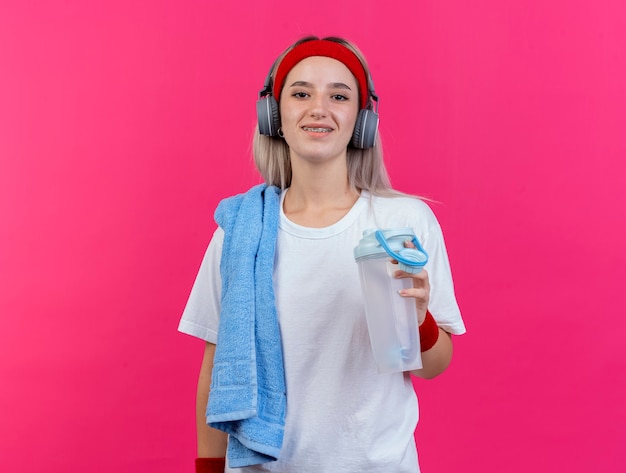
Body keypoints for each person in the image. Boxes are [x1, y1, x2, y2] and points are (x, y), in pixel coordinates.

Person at [179, 36, 466, 473]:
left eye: (338, 95)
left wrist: (420, 318)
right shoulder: (238, 233)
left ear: (362, 119)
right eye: (300, 93)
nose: (319, 107)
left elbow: (432, 368)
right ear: (273, 116)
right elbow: (217, 370)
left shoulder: (402, 223)